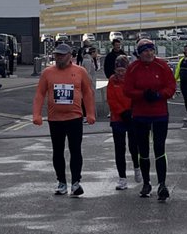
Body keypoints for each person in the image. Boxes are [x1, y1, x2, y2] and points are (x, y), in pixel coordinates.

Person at [32, 42, 95, 196]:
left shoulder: (80, 71)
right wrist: (37, 114)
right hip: (55, 118)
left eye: (62, 55)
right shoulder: (47, 73)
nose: (58, 58)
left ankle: (75, 182)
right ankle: (61, 182)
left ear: (70, 56)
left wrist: (90, 113)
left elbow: (88, 93)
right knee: (57, 151)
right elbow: (40, 93)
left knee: (75, 150)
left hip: (74, 117)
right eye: (56, 55)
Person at [123, 39, 177, 200]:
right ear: (139, 54)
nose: (149, 53)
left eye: (151, 50)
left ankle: (162, 184)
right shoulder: (133, 68)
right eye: (145, 51)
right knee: (143, 149)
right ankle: (146, 183)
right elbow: (127, 90)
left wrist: (159, 95)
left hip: (159, 113)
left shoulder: (162, 66)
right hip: (140, 114)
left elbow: (171, 86)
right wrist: (142, 95)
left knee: (159, 148)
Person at [106, 54, 139, 190]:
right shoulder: (112, 81)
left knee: (134, 147)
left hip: (132, 116)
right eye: (118, 70)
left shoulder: (133, 80)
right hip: (118, 118)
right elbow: (111, 99)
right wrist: (121, 111)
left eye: (122, 70)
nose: (120, 73)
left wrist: (132, 111)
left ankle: (137, 168)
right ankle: (122, 177)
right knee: (119, 149)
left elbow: (136, 96)